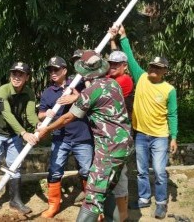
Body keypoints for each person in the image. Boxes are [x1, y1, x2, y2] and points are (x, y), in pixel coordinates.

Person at [36, 50, 133, 222]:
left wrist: (46, 129)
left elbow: (67, 117)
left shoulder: (90, 93)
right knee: (108, 189)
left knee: (93, 198)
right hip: (124, 146)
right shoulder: (113, 84)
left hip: (108, 149)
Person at [113, 25, 178, 219]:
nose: (153, 69)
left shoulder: (169, 90)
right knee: (141, 171)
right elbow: (130, 57)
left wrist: (173, 137)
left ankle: (160, 203)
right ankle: (143, 199)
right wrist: (123, 36)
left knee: (159, 171)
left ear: (164, 70)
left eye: (158, 67)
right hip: (140, 134)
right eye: (151, 66)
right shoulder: (141, 77)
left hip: (159, 136)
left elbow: (172, 115)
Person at [0, 62, 40, 214]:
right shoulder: (3, 90)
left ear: (27, 77)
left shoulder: (29, 93)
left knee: (15, 166)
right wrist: (24, 133)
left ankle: (15, 201)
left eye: (21, 74)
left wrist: (38, 125)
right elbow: (6, 114)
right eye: (14, 74)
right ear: (10, 75)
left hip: (14, 135)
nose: (17, 77)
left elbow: (30, 115)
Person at [38, 56, 93, 218]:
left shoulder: (79, 83)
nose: (53, 72)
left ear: (65, 70)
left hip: (82, 136)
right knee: (55, 172)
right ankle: (53, 205)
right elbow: (40, 114)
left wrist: (76, 97)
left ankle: (91, 205)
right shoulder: (48, 93)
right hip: (60, 138)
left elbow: (94, 100)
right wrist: (44, 114)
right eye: (50, 70)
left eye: (56, 69)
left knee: (86, 171)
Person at [106, 50, 134, 222]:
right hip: (111, 132)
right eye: (111, 63)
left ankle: (122, 214)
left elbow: (104, 96)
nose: (113, 66)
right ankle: (113, 212)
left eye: (117, 64)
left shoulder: (123, 81)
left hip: (120, 133)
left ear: (125, 66)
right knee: (111, 172)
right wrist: (114, 38)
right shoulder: (112, 78)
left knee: (119, 173)